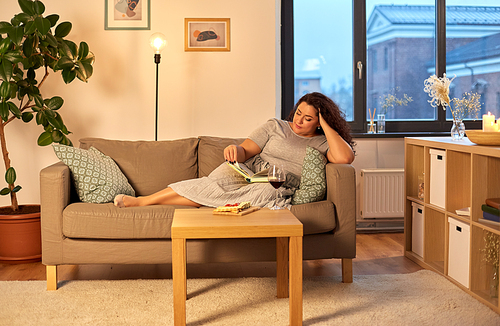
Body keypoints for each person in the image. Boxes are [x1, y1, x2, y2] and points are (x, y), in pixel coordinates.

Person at [114, 92, 355, 208]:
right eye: (298, 113)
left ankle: (144, 202)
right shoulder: (275, 126)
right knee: (210, 184)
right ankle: (144, 202)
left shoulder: (323, 143)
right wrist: (233, 151)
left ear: (320, 122)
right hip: (249, 170)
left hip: (276, 183)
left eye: (308, 119)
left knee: (266, 195)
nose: (299, 120)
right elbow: (244, 151)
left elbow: (345, 158)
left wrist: (326, 124)